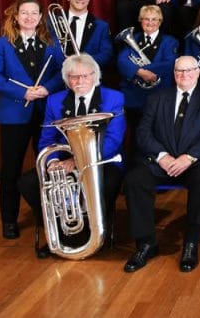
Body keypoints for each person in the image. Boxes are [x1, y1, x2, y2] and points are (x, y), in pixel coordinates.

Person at [17, 53, 126, 258]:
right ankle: (58, 234)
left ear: (95, 76)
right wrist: (53, 161)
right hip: (64, 161)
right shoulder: (55, 101)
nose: (79, 81)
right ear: (67, 79)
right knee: (29, 183)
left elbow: (113, 140)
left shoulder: (113, 98)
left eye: (85, 76)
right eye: (74, 77)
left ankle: (95, 232)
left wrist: (76, 161)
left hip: (101, 161)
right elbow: (47, 139)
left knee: (109, 182)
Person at [123, 56, 200, 273]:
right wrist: (162, 156)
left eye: (189, 71)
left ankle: (191, 242)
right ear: (173, 73)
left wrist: (189, 157)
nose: (184, 75)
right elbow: (143, 132)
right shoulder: (157, 97)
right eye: (179, 71)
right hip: (162, 161)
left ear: (198, 72)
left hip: (195, 162)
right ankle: (146, 243)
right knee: (135, 179)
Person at [0, 0, 64, 240]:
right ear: (16, 17)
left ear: (41, 18)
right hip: (14, 116)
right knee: (11, 169)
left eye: (34, 13)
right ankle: (9, 220)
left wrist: (47, 88)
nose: (29, 17)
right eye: (24, 13)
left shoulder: (51, 44)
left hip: (45, 115)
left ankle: (50, 217)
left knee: (50, 166)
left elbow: (63, 72)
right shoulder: (2, 45)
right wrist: (23, 92)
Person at [116, 5, 177, 142]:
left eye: (154, 19)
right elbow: (121, 60)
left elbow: (169, 63)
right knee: (134, 137)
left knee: (158, 135)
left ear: (160, 21)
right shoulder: (132, 39)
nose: (150, 22)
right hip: (134, 96)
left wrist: (145, 68)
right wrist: (140, 71)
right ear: (140, 20)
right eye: (146, 19)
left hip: (159, 95)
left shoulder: (169, 41)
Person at [53, 0, 114, 68]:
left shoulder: (101, 26)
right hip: (59, 74)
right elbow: (49, 51)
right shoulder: (54, 22)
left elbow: (106, 55)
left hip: (88, 76)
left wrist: (83, 62)